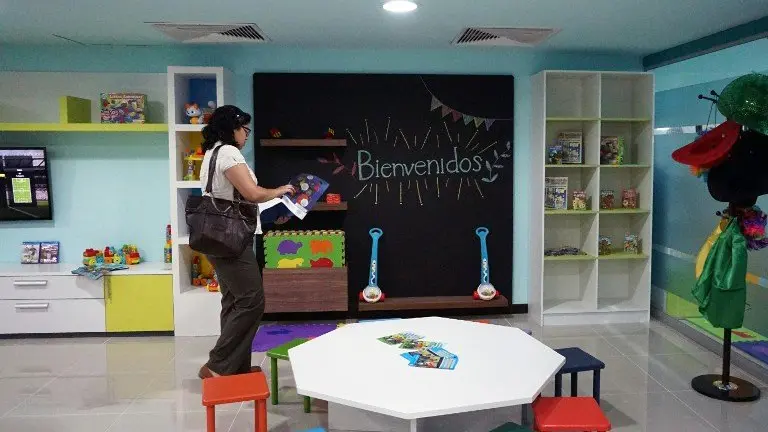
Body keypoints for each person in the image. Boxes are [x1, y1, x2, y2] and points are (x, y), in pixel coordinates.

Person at [197, 105, 295, 378]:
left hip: (217, 237)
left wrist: (273, 211)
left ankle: (233, 368)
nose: (246, 135)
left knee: (233, 301)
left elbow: (234, 198)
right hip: (232, 240)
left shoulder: (212, 153)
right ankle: (217, 364)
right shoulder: (228, 152)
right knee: (252, 300)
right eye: (244, 129)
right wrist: (280, 191)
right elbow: (251, 194)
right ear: (232, 128)